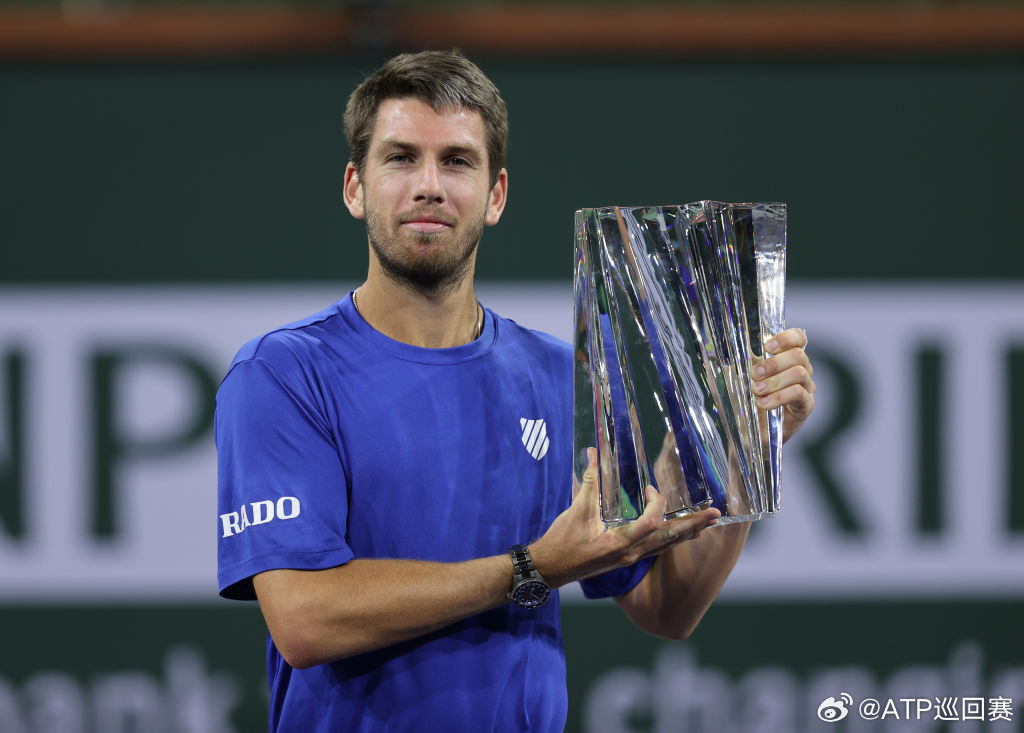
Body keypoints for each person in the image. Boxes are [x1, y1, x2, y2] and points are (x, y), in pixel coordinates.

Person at [216, 49, 815, 733]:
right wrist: (533, 567)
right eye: (401, 158)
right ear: (355, 186)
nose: (429, 185)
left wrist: (747, 443)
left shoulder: (561, 375)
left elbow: (665, 605)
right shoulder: (283, 373)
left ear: (496, 195)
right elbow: (303, 618)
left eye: (458, 161)